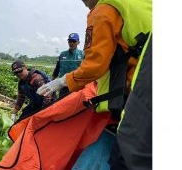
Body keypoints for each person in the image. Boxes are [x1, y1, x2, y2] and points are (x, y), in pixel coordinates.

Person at [37, 0, 152, 169]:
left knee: (124, 158)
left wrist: (62, 81)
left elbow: (95, 65)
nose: (82, 2)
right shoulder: (140, 4)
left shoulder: (104, 10)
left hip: (142, 90)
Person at [52, 33, 84, 97]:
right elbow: (57, 69)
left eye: (74, 41)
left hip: (77, 86)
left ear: (78, 42)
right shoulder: (62, 54)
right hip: (63, 86)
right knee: (62, 104)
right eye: (70, 41)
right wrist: (51, 82)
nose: (71, 43)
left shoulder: (82, 54)